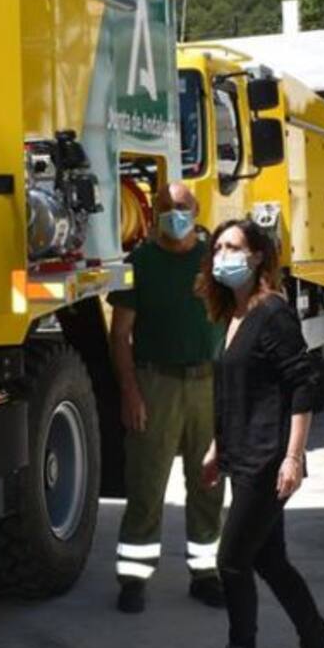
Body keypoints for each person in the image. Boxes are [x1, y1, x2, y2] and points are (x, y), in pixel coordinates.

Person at [198, 218, 324, 648]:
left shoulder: (272, 313)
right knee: (271, 560)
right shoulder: (234, 315)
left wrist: (293, 457)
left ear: (259, 255)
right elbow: (234, 392)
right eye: (219, 247)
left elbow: (302, 384)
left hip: (268, 459)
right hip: (241, 455)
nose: (224, 255)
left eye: (235, 247)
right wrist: (216, 448)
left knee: (231, 561)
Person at [108, 183, 224, 614]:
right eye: (164, 208)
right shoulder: (140, 263)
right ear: (152, 214)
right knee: (146, 484)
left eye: (182, 207)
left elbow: (240, 315)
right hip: (156, 384)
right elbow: (120, 334)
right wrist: (129, 392)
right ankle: (133, 579)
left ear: (196, 210)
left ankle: (206, 574)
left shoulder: (215, 261)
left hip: (208, 384)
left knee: (210, 483)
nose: (173, 214)